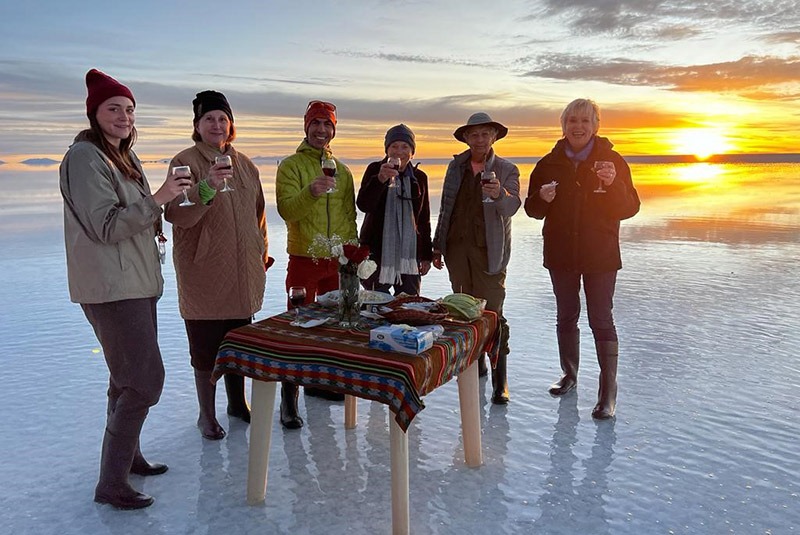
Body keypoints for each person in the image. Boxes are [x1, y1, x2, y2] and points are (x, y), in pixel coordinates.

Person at [60, 69, 192, 509]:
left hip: (135, 282)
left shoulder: (122, 157)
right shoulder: (84, 157)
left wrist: (161, 204)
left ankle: (128, 459)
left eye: (130, 109)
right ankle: (111, 483)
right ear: (94, 113)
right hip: (111, 287)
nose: (124, 116)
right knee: (145, 382)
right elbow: (106, 225)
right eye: (113, 108)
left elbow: (135, 218)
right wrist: (160, 197)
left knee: (125, 378)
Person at [164, 90, 271, 440]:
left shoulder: (247, 165)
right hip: (204, 271)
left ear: (231, 125)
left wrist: (262, 251)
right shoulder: (185, 162)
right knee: (206, 351)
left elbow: (259, 216)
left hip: (242, 270)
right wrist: (207, 186)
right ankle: (206, 415)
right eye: (208, 118)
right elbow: (177, 215)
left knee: (238, 343)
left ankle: (237, 403)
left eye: (222, 118)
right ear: (197, 125)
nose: (216, 124)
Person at [524, 98, 640, 419]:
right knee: (566, 314)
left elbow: (630, 207)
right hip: (560, 252)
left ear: (596, 126)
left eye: (585, 121)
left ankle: (608, 392)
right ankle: (570, 375)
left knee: (601, 319)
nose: (578, 127)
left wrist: (612, 183)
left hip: (600, 253)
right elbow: (532, 209)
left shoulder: (612, 161)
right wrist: (541, 198)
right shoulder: (548, 163)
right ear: (563, 126)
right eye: (572, 121)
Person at [275, 100, 357, 428]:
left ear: (334, 129)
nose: (321, 130)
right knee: (298, 328)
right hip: (304, 259)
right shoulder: (291, 166)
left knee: (331, 326)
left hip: (335, 262)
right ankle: (288, 399)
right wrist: (311, 191)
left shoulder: (344, 171)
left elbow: (349, 217)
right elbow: (287, 211)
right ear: (306, 127)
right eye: (316, 123)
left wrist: (351, 258)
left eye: (327, 124)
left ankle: (319, 383)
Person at [432, 112, 521, 404]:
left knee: (493, 315)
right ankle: (476, 364)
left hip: (489, 253)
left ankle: (500, 380)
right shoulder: (455, 167)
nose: (480, 139)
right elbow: (445, 208)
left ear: (494, 137)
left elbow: (512, 206)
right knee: (463, 310)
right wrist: (437, 245)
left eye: (485, 134)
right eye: (474, 134)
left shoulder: (507, 169)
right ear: (467, 138)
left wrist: (499, 194)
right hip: (457, 250)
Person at [356, 124, 433, 295]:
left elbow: (423, 219)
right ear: (387, 150)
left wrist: (427, 255)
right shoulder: (375, 169)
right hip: (376, 253)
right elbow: (363, 205)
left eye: (405, 146)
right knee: (375, 305)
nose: (399, 151)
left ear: (412, 152)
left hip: (409, 255)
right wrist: (380, 179)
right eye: (394, 146)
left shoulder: (419, 178)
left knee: (409, 306)